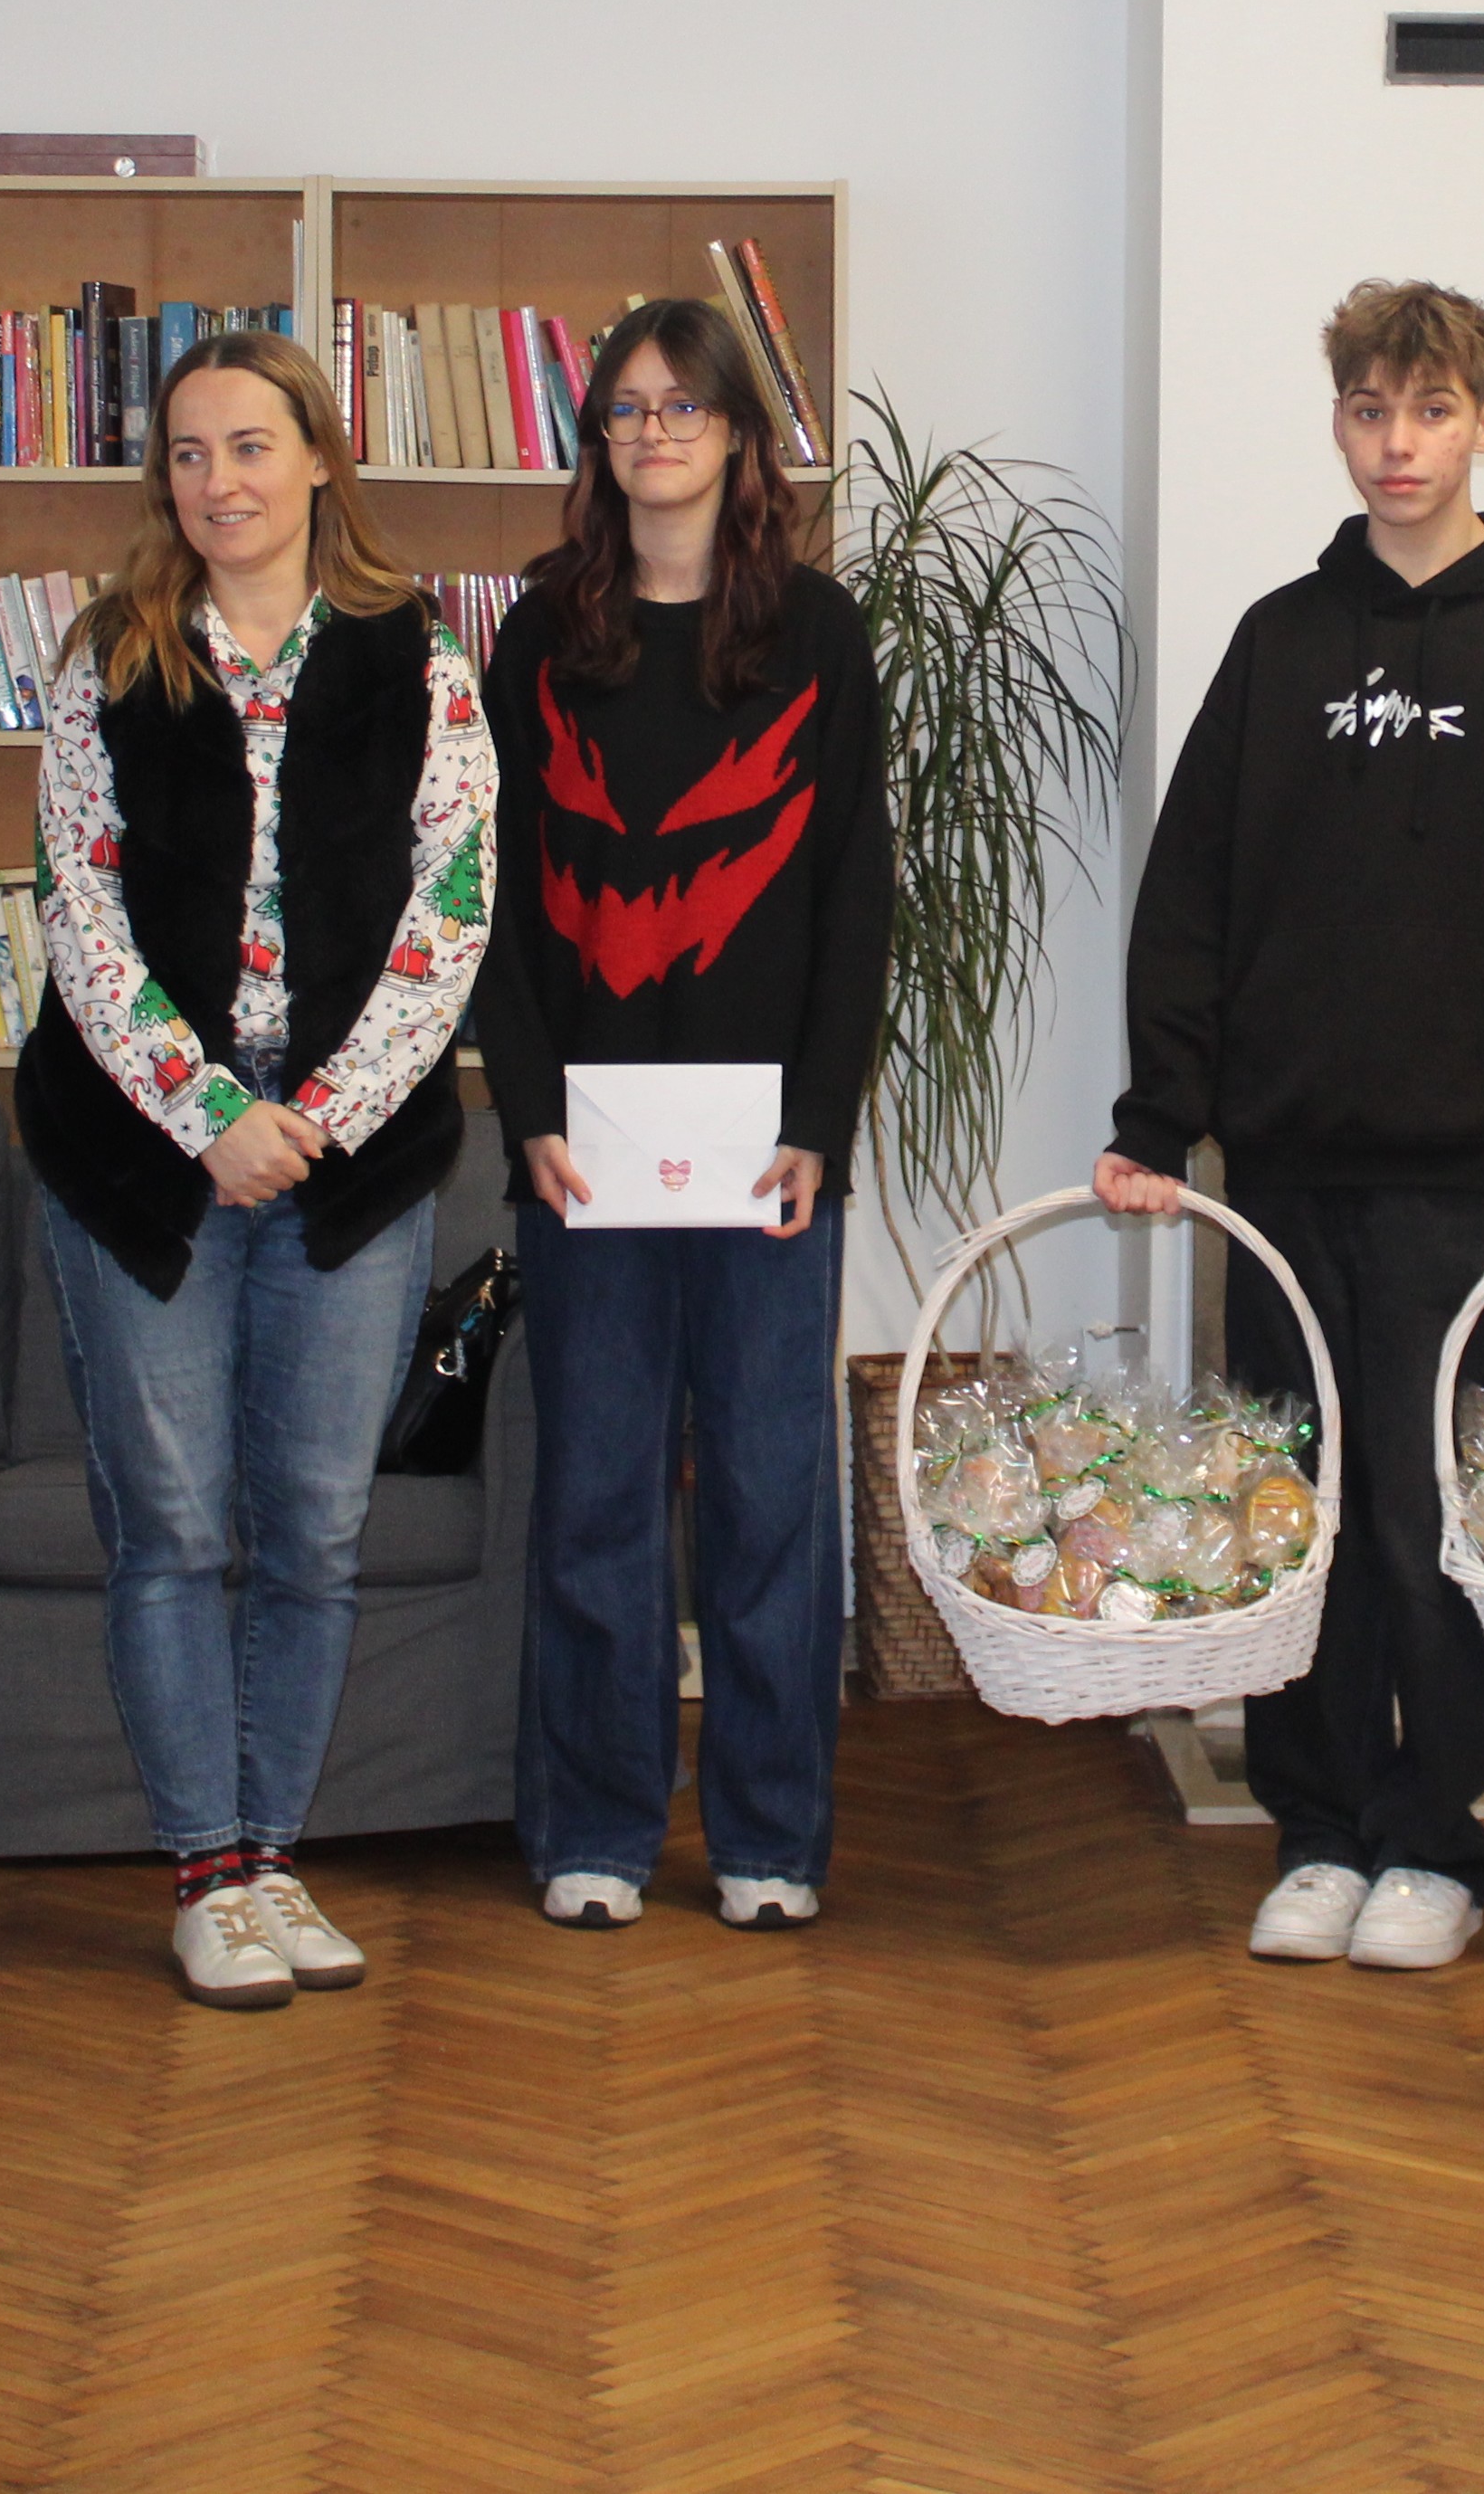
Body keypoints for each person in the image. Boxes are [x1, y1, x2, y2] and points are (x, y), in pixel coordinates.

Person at [1095, 278, 1484, 1972]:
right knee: (1304, 1510)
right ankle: (1323, 1829)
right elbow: (1191, 896)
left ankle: (1437, 1840)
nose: (1397, 444)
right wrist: (1159, 1118)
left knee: (1437, 1522)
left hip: (1474, 1176)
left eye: (1429, 411)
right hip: (1289, 1166)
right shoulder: (1283, 639)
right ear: (1339, 420)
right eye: (1369, 411)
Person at [16, 330, 495, 2011]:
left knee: (316, 1529)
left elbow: (452, 913)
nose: (218, 480)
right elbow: (77, 907)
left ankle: (274, 1860)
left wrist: (323, 1117)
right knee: (170, 1527)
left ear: (317, 458)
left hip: (350, 1155)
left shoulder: (420, 658)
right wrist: (207, 1114)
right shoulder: (109, 658)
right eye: (188, 452)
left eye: (249, 444)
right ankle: (204, 1874)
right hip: (142, 1149)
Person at [476, 301, 894, 1934]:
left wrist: (821, 1121)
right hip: (583, 1152)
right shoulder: (539, 634)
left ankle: (772, 1836)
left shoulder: (817, 634)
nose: (654, 434)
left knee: (771, 1499)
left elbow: (853, 894)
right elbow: (491, 898)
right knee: (596, 1496)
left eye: (685, 408)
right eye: (627, 409)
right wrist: (525, 1113)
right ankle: (596, 1825)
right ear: (598, 436)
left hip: (765, 1152)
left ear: (736, 437)